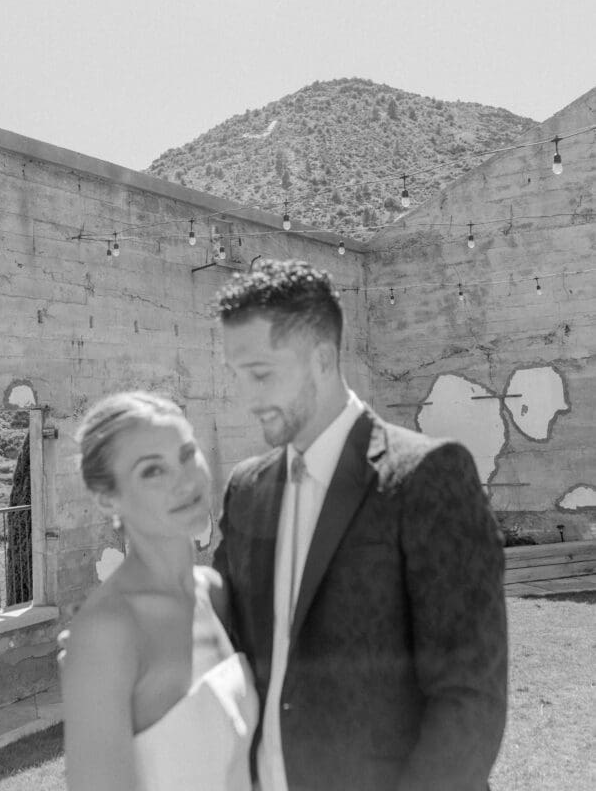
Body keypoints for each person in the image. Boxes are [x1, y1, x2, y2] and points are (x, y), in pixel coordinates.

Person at [213, 260, 507, 791]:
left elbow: (469, 700)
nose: (246, 398)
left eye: (260, 373)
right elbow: (224, 647)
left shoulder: (428, 476)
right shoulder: (244, 491)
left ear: (322, 359)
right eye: (237, 376)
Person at [59, 390, 258, 791]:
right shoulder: (106, 633)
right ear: (107, 498)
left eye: (187, 454)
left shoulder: (214, 593)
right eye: (153, 470)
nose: (185, 481)